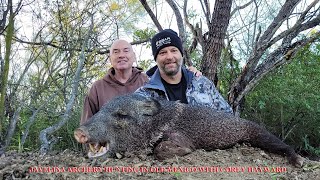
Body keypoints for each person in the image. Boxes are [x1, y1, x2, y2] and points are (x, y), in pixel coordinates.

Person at [135, 29, 233, 114]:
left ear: (181, 55)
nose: (169, 57)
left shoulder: (203, 84)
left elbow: (228, 117)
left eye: (174, 50)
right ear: (156, 59)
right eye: (163, 53)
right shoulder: (143, 96)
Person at [80, 39, 149, 125]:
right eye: (116, 52)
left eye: (126, 51)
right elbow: (86, 128)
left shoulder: (147, 82)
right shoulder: (97, 88)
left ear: (134, 56)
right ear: (110, 59)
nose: (121, 55)